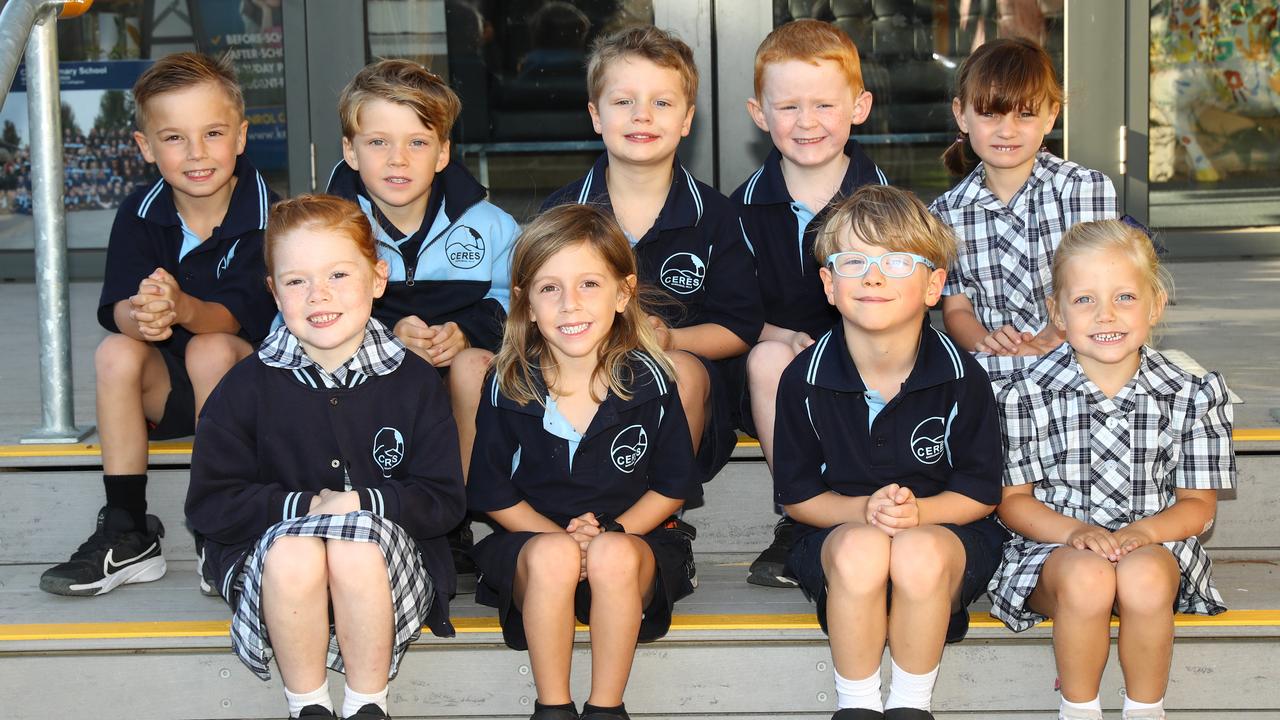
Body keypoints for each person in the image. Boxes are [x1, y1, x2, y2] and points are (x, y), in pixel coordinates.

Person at [186, 195, 466, 720]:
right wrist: (305, 507)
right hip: (279, 570)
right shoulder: (245, 385)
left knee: (353, 546)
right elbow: (210, 504)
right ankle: (308, 705)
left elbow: (444, 502)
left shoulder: (413, 379)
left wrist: (360, 502)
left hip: (382, 565)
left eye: (339, 274)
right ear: (273, 291)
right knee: (298, 551)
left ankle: (366, 704)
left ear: (378, 278)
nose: (319, 295)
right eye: (296, 281)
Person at [40, 53, 277, 597]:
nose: (196, 153)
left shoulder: (269, 217)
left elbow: (232, 316)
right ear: (145, 147)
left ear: (240, 137)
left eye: (212, 133)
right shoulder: (139, 212)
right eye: (174, 138)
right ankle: (127, 528)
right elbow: (116, 307)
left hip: (254, 399)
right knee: (116, 352)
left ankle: (224, 528)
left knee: (209, 347)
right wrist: (142, 312)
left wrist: (179, 308)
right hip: (172, 396)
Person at [773, 186, 1006, 720]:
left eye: (898, 262)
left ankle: (909, 706)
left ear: (934, 286)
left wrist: (919, 514)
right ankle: (856, 707)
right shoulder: (802, 381)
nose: (873, 277)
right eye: (853, 261)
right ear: (829, 284)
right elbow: (799, 498)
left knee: (915, 552)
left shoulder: (962, 377)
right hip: (837, 534)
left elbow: (979, 493)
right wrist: (862, 512)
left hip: (947, 534)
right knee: (863, 549)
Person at [990, 219, 1235, 720]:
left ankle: (1147, 711)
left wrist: (1144, 533)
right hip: (1052, 551)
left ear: (1154, 304)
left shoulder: (1192, 393)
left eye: (1124, 297)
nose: (1106, 314)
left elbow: (1197, 507)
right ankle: (1078, 710)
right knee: (1089, 577)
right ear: (1056, 312)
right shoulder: (1023, 394)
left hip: (1154, 545)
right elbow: (1013, 500)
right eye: (1084, 300)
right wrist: (1077, 532)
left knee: (1142, 578)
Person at [467, 204, 701, 720]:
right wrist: (561, 541)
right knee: (552, 558)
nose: (570, 305)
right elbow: (493, 494)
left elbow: (672, 487)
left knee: (612, 556)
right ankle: (552, 707)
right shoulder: (507, 385)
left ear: (623, 293)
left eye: (589, 285)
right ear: (525, 304)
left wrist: (607, 534)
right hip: (533, 549)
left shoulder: (653, 382)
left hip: (631, 546)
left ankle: (606, 707)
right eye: (549, 288)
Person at [529, 25, 762, 491]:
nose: (642, 116)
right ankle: (562, 498)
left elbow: (739, 327)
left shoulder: (715, 215)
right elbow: (531, 311)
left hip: (675, 386)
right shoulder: (560, 212)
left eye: (661, 102)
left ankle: (662, 518)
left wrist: (671, 340)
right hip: (575, 371)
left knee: (683, 371)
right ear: (596, 116)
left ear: (686, 119)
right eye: (623, 102)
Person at [327, 57, 519, 590]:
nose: (397, 159)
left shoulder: (489, 226)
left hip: (456, 378)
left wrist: (469, 332)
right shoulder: (325, 228)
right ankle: (372, 509)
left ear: (443, 153)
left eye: (416, 142)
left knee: (472, 368)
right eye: (378, 142)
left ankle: (451, 520)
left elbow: (522, 305)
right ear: (349, 151)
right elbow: (291, 323)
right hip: (366, 381)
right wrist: (381, 338)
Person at [733, 18, 889, 588]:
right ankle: (799, 515)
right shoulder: (740, 210)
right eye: (788, 106)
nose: (806, 122)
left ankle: (882, 497)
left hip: (873, 365)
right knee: (765, 360)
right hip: (786, 379)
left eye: (824, 104)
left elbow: (911, 303)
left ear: (859, 106)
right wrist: (769, 331)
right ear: (759, 114)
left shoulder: (888, 204)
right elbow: (729, 308)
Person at [930, 37, 1117, 380]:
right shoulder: (945, 213)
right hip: (992, 370)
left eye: (1025, 114)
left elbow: (1102, 284)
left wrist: (1051, 337)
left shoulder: (1084, 189)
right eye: (990, 114)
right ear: (962, 115)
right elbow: (957, 307)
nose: (1007, 130)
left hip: (1082, 363)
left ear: (1051, 117)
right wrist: (988, 342)